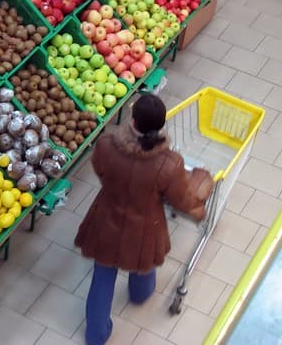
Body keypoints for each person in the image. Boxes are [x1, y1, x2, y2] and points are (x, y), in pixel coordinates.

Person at [74, 94, 214, 345]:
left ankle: (96, 336)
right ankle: (140, 294)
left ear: (133, 122)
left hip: (105, 220)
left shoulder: (106, 145)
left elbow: (100, 170)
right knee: (144, 262)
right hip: (145, 228)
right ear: (161, 126)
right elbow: (181, 200)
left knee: (102, 278)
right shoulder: (169, 164)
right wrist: (201, 189)